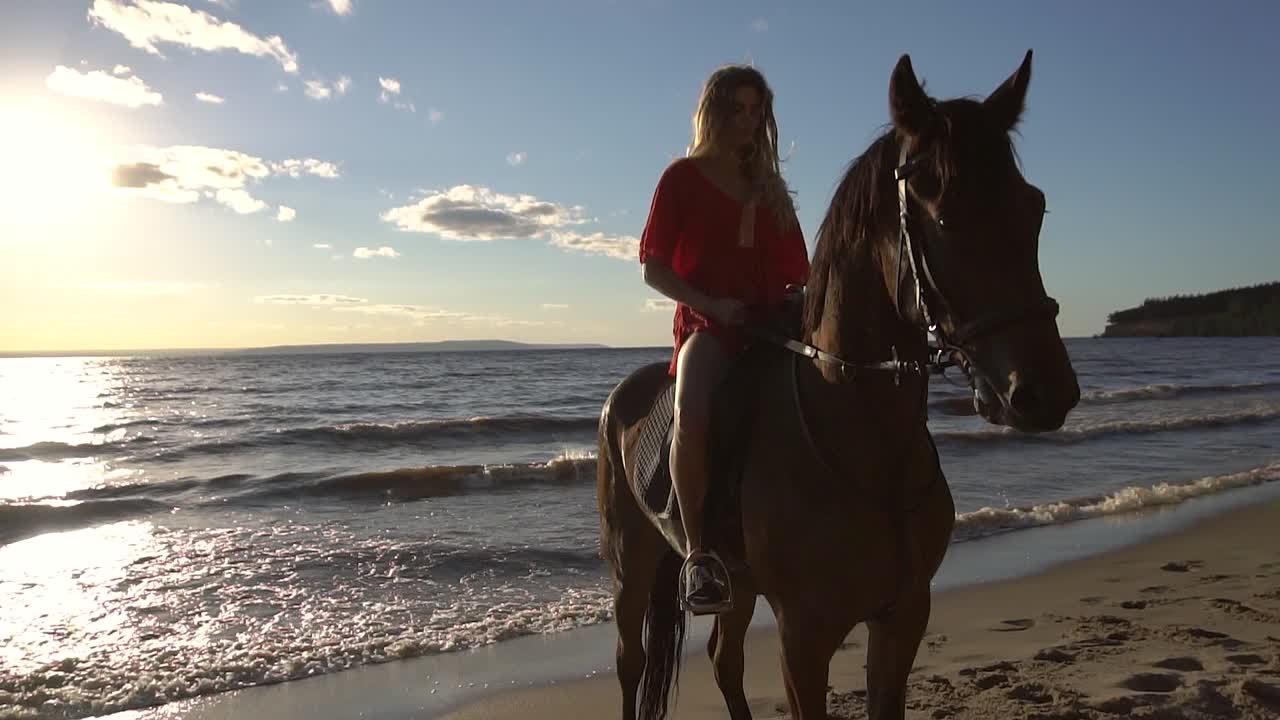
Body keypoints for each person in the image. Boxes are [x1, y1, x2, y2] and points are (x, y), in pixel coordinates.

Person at [638, 65, 810, 613]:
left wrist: (795, 301)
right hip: (709, 326)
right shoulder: (682, 179)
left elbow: (799, 270)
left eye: (756, 111)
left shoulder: (770, 187)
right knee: (692, 410)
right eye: (737, 109)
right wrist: (712, 305)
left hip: (773, 325)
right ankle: (698, 555)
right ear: (713, 112)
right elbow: (655, 269)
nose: (747, 121)